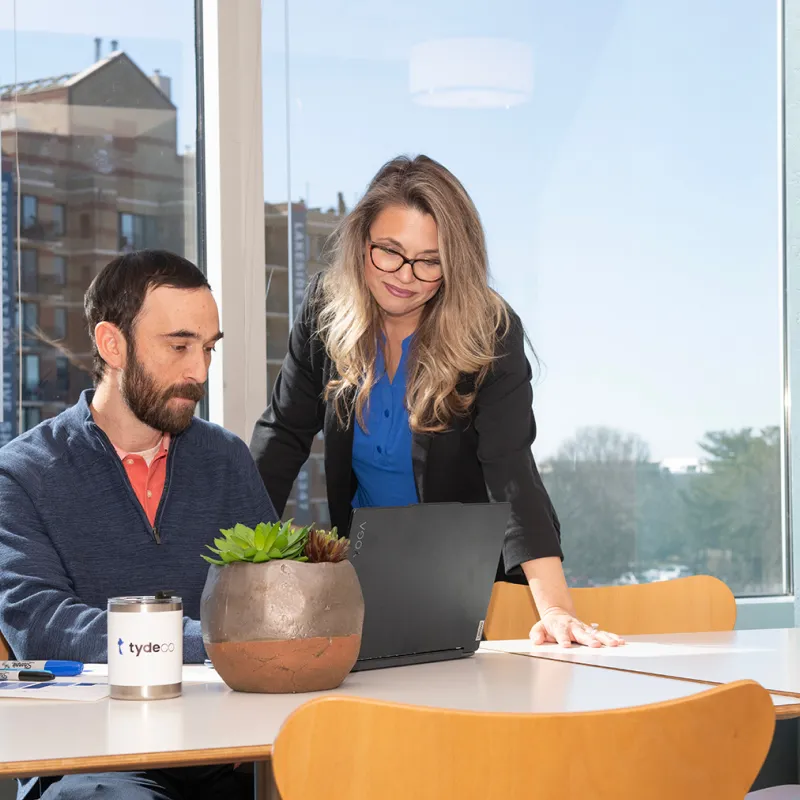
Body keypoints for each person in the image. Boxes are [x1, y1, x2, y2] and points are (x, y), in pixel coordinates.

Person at [251, 154, 622, 650]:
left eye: (430, 261)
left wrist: (554, 607)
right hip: (367, 569)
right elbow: (282, 437)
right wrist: (230, 563)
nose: (406, 275)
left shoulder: (487, 328)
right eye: (389, 251)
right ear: (362, 241)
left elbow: (509, 469)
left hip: (469, 581)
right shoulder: (325, 307)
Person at [0, 250, 273, 799]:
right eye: (179, 346)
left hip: (234, 751)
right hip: (92, 763)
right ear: (112, 344)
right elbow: (45, 627)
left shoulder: (225, 459)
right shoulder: (21, 474)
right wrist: (221, 645)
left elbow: (271, 596)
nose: (198, 371)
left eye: (208, 348)